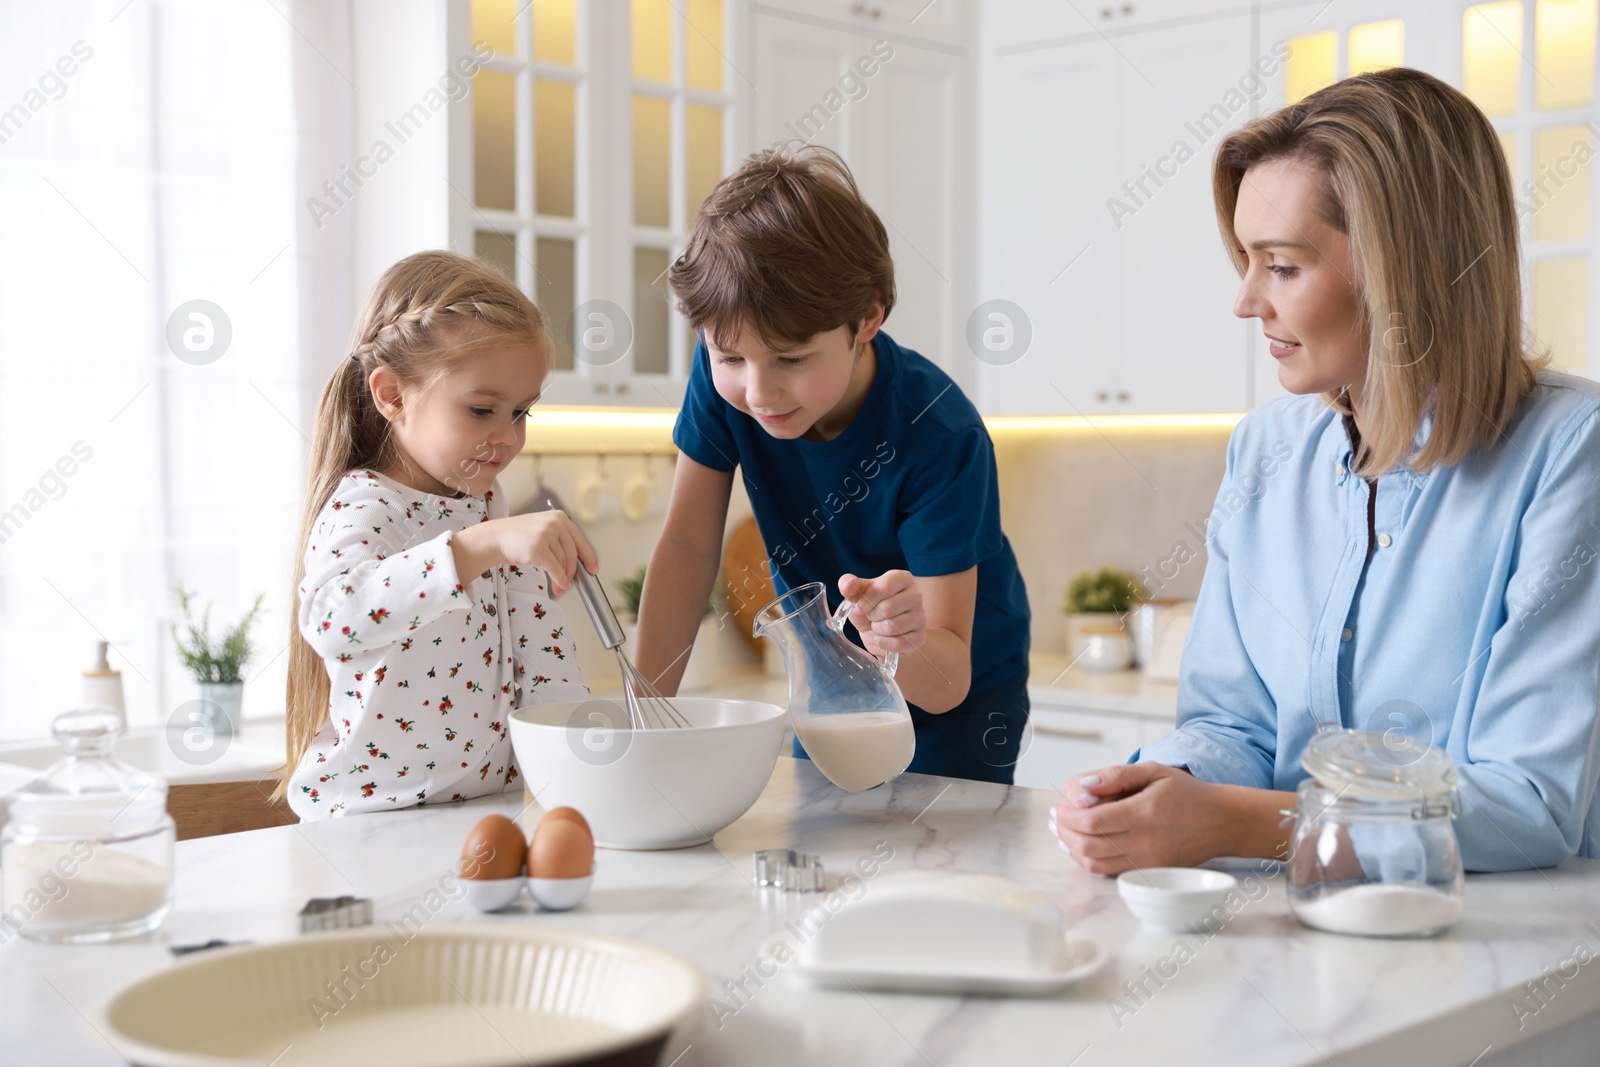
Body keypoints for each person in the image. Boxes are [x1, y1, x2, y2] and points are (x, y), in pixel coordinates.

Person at [1051, 68, 1600, 872]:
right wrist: (1163, 783)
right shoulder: (1266, 449)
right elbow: (1231, 725)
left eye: (1280, 266)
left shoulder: (1567, 450)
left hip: (1502, 955)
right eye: (1246, 259)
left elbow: (1527, 804)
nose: (1245, 301)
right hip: (1294, 937)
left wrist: (1238, 825)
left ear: (1400, 270)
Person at [635, 146, 1032, 784]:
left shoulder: (940, 433)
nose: (759, 392)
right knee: (822, 851)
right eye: (730, 356)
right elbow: (686, 545)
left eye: (792, 359)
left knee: (939, 861)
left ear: (867, 316)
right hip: (833, 675)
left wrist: (897, 637)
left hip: (959, 694)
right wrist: (643, 719)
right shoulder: (727, 376)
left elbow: (950, 675)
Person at [276, 250, 595, 818]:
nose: (507, 437)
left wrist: (581, 760)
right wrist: (480, 547)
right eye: (481, 410)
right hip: (366, 820)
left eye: (522, 412)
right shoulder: (368, 504)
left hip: (483, 810)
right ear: (392, 395)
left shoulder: (486, 509)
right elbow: (333, 619)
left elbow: (539, 648)